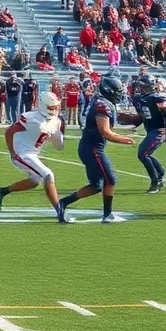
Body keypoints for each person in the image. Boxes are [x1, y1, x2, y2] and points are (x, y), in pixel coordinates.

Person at [55, 75, 136, 224]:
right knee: (110, 179)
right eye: (116, 91)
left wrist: (132, 121)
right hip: (93, 149)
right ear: (109, 90)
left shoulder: (102, 102)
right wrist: (124, 139)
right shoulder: (101, 105)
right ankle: (107, 215)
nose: (118, 94)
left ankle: (62, 203)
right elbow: (105, 132)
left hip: (90, 148)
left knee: (97, 185)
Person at [0, 91, 65, 210]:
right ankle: (59, 210)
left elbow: (59, 146)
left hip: (33, 154)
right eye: (51, 107)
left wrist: (59, 133)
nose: (54, 110)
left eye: (56, 107)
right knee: (48, 175)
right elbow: (9, 131)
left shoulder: (56, 121)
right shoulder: (30, 117)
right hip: (22, 154)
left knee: (35, 181)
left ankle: (2, 191)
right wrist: (12, 152)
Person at [132, 73, 166, 193]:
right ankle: (160, 173)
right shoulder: (138, 98)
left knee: (143, 153)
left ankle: (155, 181)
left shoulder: (157, 97)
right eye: (142, 86)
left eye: (145, 86)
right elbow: (142, 115)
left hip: (159, 130)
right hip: (150, 130)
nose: (142, 88)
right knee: (145, 154)